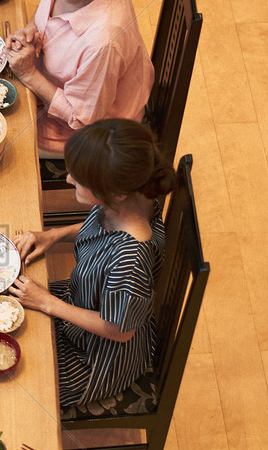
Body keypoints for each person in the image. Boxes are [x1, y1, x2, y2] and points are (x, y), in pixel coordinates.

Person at [11, 118, 175, 408]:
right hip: (82, 304)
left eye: (79, 179)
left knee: (15, 380)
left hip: (97, 355)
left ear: (116, 193)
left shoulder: (130, 258)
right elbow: (101, 229)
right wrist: (53, 235)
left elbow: (120, 331)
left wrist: (48, 303)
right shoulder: (136, 199)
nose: (68, 180)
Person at [5, 0, 153, 155]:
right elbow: (45, 2)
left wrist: (29, 75)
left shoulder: (103, 42)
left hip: (89, 134)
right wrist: (32, 28)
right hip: (64, 88)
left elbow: (83, 120)